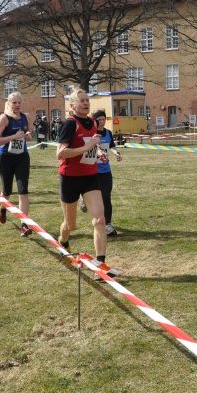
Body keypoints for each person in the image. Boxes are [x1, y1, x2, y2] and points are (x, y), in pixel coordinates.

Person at [57, 88, 109, 270]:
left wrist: (100, 152)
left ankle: (100, 263)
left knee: (99, 220)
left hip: (90, 176)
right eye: (81, 101)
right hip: (70, 177)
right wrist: (86, 149)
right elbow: (60, 153)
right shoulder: (69, 124)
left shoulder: (93, 122)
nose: (86, 103)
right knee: (70, 225)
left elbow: (92, 145)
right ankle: (63, 241)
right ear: (72, 105)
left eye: (87, 100)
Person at [0, 91, 32, 235]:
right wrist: (13, 136)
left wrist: (27, 136)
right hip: (6, 157)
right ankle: (3, 208)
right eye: (14, 102)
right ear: (8, 103)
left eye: (19, 102)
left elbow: (28, 134)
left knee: (23, 190)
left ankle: (24, 224)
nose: (17, 105)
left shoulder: (26, 117)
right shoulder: (4, 118)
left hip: (22, 157)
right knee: (7, 191)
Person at [81, 110, 122, 237]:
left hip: (105, 170)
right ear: (94, 121)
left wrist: (116, 153)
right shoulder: (91, 133)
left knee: (106, 197)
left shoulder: (108, 133)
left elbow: (111, 146)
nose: (102, 122)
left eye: (104, 119)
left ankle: (108, 224)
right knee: (93, 196)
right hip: (91, 170)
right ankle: (83, 198)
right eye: (99, 119)